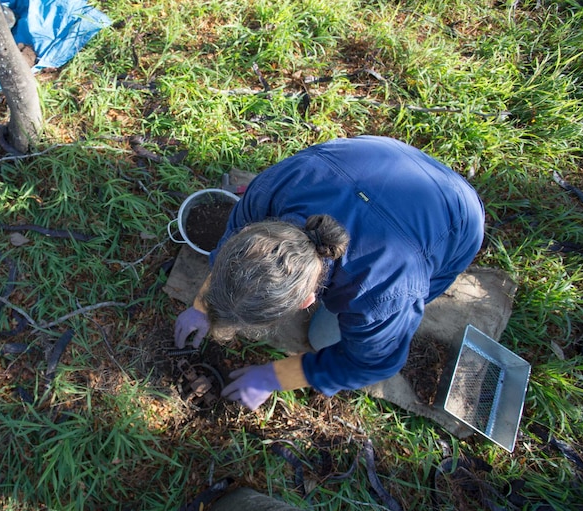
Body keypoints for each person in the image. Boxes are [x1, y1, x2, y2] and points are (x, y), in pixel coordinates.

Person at [173, 136, 485, 410]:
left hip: (457, 214)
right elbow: (230, 246)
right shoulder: (274, 186)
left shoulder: (385, 292)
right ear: (253, 233)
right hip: (388, 164)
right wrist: (202, 306)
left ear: (307, 301)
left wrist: (274, 377)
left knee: (323, 337)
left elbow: (370, 362)